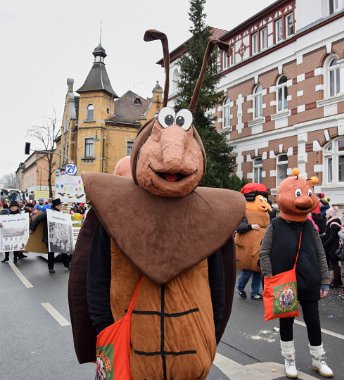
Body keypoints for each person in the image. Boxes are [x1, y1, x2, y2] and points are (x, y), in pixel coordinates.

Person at [68, 31, 245, 380]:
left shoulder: (212, 211)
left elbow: (219, 284)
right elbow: (94, 276)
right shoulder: (115, 207)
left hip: (191, 353)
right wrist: (106, 332)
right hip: (130, 351)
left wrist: (209, 337)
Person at [260, 169, 333, 378]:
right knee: (286, 322)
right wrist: (269, 277)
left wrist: (325, 280)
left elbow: (320, 254)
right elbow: (264, 252)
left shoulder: (310, 227)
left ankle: (319, 359)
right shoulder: (275, 225)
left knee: (314, 321)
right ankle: (289, 359)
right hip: (283, 284)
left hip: (310, 282)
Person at [235, 183, 271, 301]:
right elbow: (239, 227)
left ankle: (255, 292)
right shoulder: (244, 212)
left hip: (261, 247)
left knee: (258, 271)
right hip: (248, 247)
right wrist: (250, 226)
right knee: (248, 271)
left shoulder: (266, 214)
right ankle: (240, 287)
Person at [30, 198, 70, 273]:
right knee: (52, 252)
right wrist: (32, 228)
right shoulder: (49, 213)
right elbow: (38, 218)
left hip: (58, 236)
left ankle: (65, 265)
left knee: (62, 251)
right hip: (50, 236)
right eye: (60, 205)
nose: (61, 206)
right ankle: (53, 267)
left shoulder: (59, 213)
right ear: (57, 205)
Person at [321, 207, 342, 288]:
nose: (325, 215)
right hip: (332, 246)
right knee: (335, 264)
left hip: (333, 247)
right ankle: (338, 281)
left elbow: (332, 237)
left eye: (327, 214)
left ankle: (336, 282)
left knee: (335, 265)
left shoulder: (333, 223)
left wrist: (324, 245)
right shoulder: (331, 222)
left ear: (330, 215)